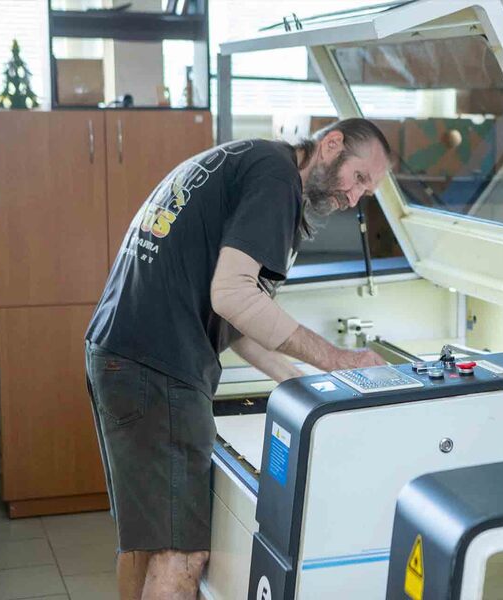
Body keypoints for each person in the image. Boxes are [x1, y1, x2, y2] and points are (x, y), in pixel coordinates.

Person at [84, 118, 390, 599]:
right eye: (359, 178)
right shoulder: (277, 179)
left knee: (144, 544)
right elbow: (233, 296)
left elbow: (238, 319)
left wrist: (300, 384)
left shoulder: (251, 161)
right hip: (160, 368)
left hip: (118, 353)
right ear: (332, 145)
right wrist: (337, 359)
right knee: (181, 553)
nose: (353, 198)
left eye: (365, 192)